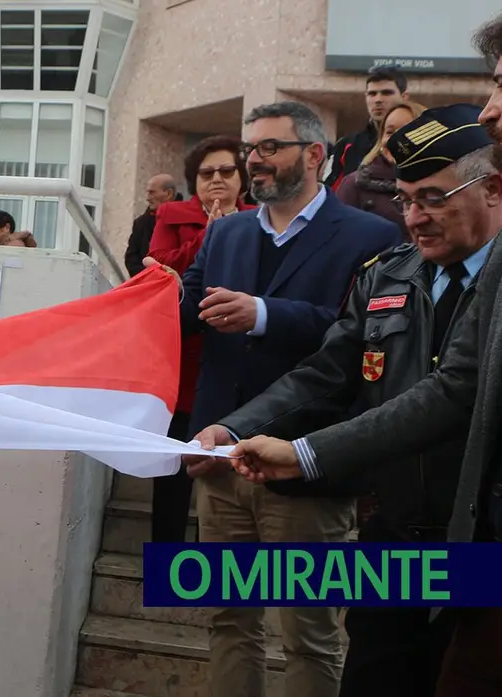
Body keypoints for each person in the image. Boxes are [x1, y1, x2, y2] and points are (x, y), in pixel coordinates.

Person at [193, 104, 500, 697]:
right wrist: (232, 428)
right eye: (406, 199)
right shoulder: (387, 274)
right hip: (395, 530)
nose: (414, 218)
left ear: (492, 188)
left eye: (434, 198)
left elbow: (451, 393)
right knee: (375, 672)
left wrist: (305, 454)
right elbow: (326, 374)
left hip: (479, 536)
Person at [146, 101, 402, 697]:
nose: (251, 160)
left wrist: (264, 315)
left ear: (314, 155)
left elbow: (363, 336)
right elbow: (188, 310)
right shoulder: (227, 231)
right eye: (250, 149)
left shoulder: (373, 236)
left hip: (303, 465)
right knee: (230, 623)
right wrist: (148, 298)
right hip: (218, 460)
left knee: (308, 633)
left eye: (268, 148)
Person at [145, 136, 253, 543]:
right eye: (207, 174)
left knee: (231, 481)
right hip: (180, 362)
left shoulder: (261, 219)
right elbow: (158, 269)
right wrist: (209, 238)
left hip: (233, 364)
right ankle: (165, 568)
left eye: (227, 172)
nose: (217, 180)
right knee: (171, 474)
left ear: (242, 179)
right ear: (194, 182)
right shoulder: (171, 214)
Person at [337, 102, 426, 238]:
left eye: (406, 131)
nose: (396, 140)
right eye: (389, 132)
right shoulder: (353, 185)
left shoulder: (446, 184)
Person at [326, 66, 410, 189]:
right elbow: (331, 193)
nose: (378, 100)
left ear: (404, 97)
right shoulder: (347, 146)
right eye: (372, 94)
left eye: (386, 93)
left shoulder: (422, 141)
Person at [124, 173, 179, 276]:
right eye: (148, 192)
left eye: (152, 192)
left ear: (168, 194)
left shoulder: (185, 221)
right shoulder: (141, 224)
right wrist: (150, 277)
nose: (148, 198)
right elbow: (131, 258)